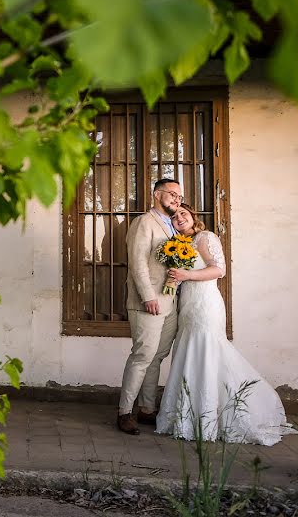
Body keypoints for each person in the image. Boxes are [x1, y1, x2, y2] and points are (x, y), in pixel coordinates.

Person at [155, 204, 297, 445]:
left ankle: (210, 417)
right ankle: (188, 414)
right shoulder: (178, 244)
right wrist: (174, 279)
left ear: (193, 217)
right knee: (189, 351)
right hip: (188, 304)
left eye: (184, 214)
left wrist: (186, 275)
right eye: (175, 216)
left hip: (205, 304)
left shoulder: (205, 237)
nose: (179, 218)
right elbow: (181, 276)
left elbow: (218, 270)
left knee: (208, 350)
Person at [117, 178, 184, 435]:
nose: (177, 199)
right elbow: (137, 262)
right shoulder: (144, 222)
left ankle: (146, 410)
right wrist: (147, 296)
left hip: (169, 302)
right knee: (142, 356)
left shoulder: (172, 226)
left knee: (157, 356)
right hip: (149, 302)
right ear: (157, 194)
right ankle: (124, 412)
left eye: (179, 196)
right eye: (172, 194)